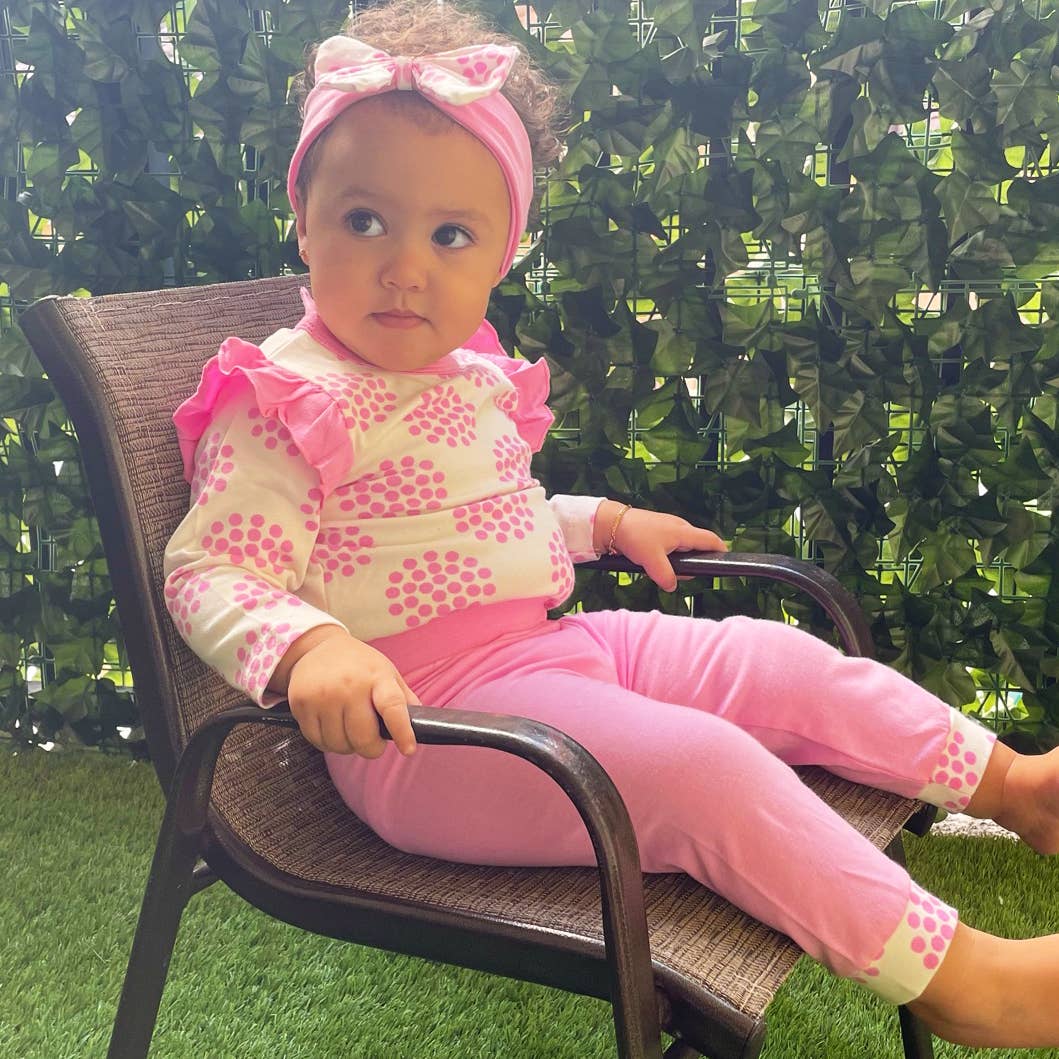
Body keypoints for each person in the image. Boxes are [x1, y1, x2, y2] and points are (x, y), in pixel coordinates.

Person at [163, 0, 1059, 1046]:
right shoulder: (284, 396)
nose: (406, 265)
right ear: (303, 219)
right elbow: (209, 572)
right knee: (700, 769)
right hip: (429, 729)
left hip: (553, 649)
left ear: (502, 253)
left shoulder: (466, 375)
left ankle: (1015, 787)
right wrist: (309, 646)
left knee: (777, 660)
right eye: (365, 221)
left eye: (451, 234)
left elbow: (485, 515)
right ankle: (964, 981)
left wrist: (607, 521)